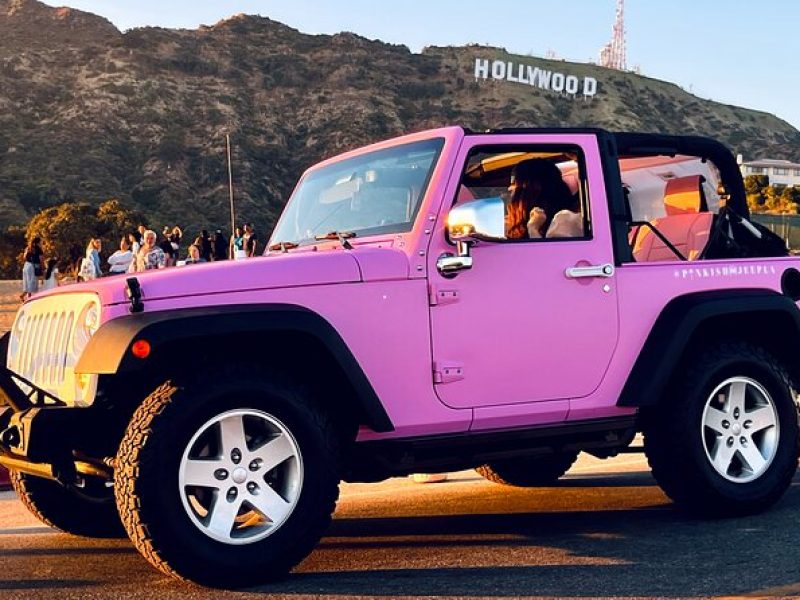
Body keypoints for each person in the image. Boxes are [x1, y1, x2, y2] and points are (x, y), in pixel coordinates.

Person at [505, 158, 582, 240]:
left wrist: (533, 229)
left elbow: (548, 253)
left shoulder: (564, 221)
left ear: (532, 189)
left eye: (514, 183)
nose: (509, 189)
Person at [20, 237, 44, 301]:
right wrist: (42, 268)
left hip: (26, 265)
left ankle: (28, 296)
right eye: (41, 242)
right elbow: (41, 260)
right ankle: (24, 295)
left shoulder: (28, 248)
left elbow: (24, 257)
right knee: (32, 282)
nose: (41, 243)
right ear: (38, 242)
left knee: (27, 281)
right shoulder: (38, 249)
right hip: (33, 266)